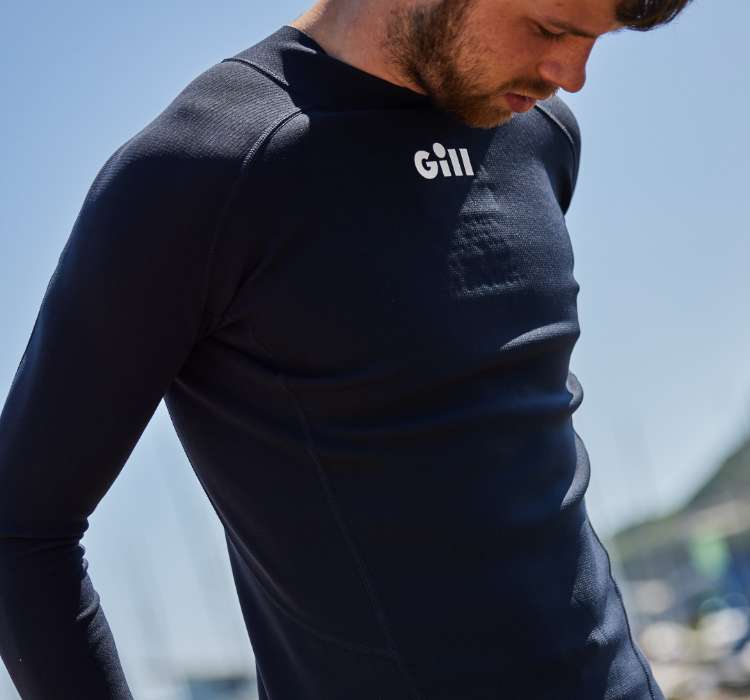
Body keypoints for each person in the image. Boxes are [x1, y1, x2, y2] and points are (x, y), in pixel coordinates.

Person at [0, 0, 693, 697]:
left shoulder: (541, 136)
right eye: (549, 29)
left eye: (596, 40)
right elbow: (21, 531)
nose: (571, 75)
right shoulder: (203, 168)